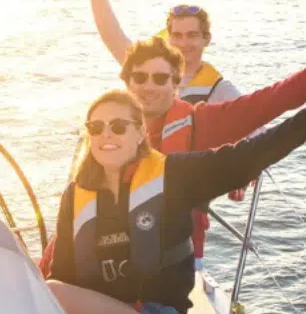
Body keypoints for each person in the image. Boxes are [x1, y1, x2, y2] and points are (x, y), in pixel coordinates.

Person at [46, 88, 306, 314]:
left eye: (118, 126)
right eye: (96, 127)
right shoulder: (75, 196)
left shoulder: (174, 176)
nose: (106, 134)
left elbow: (247, 157)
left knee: (49, 294)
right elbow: (64, 273)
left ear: (140, 133)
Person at [39, 36, 306, 273]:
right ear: (127, 83)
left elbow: (274, 99)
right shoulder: (102, 133)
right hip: (102, 264)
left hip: (169, 269)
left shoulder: (201, 124)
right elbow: (77, 213)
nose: (148, 86)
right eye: (139, 77)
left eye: (160, 78)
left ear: (176, 84)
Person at [79, 0, 240, 104]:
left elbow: (252, 118)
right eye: (177, 35)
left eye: (192, 35)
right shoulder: (144, 70)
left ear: (206, 39)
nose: (184, 43)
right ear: (169, 39)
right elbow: (110, 33)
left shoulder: (222, 91)